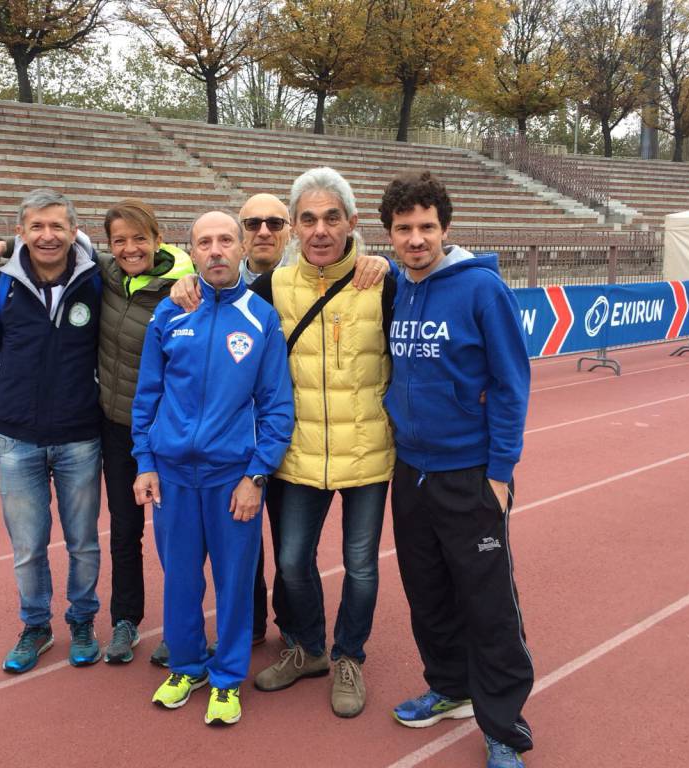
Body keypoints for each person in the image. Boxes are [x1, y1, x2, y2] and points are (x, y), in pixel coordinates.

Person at [0, 200, 195, 666]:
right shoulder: (89, 277)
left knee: (167, 534)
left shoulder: (173, 286)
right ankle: (91, 623)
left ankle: (150, 626)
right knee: (98, 534)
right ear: (107, 246)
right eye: (120, 241)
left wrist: (190, 275)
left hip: (153, 432)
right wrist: (9, 243)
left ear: (159, 239)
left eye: (140, 238)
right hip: (98, 428)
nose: (130, 248)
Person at [379, 172, 534, 768]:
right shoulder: (396, 285)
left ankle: (503, 727)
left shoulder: (481, 290)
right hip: (411, 470)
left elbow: (511, 383)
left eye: (426, 228)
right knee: (428, 592)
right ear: (389, 233)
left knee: (489, 603)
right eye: (403, 229)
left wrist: (500, 470)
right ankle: (450, 686)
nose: (415, 239)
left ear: (445, 228)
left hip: (470, 473)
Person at [245, 167, 396, 719]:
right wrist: (186, 284)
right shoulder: (272, 287)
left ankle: (348, 655)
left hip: (368, 454)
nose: (320, 229)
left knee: (360, 565)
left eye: (332, 217)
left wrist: (387, 262)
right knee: (291, 563)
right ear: (292, 228)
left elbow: (443, 273)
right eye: (307, 219)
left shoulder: (386, 281)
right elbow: (218, 304)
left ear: (352, 223)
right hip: (298, 453)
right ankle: (307, 648)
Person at [132, 211, 293, 726]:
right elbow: (148, 396)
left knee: (233, 580)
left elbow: (275, 406)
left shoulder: (261, 317)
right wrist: (145, 461)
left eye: (227, 240)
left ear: (243, 248)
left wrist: (256, 474)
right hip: (173, 474)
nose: (217, 250)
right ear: (192, 251)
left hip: (232, 479)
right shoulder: (169, 313)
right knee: (180, 578)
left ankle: (226, 677)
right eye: (206, 242)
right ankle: (186, 665)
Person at [0, 189, 104, 674]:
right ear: (20, 232)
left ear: (73, 232)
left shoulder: (96, 280)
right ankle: (37, 625)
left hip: (81, 436)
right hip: (16, 437)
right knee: (28, 546)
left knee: (83, 540)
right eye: (37, 227)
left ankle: (83, 620)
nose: (48, 236)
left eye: (58, 227)